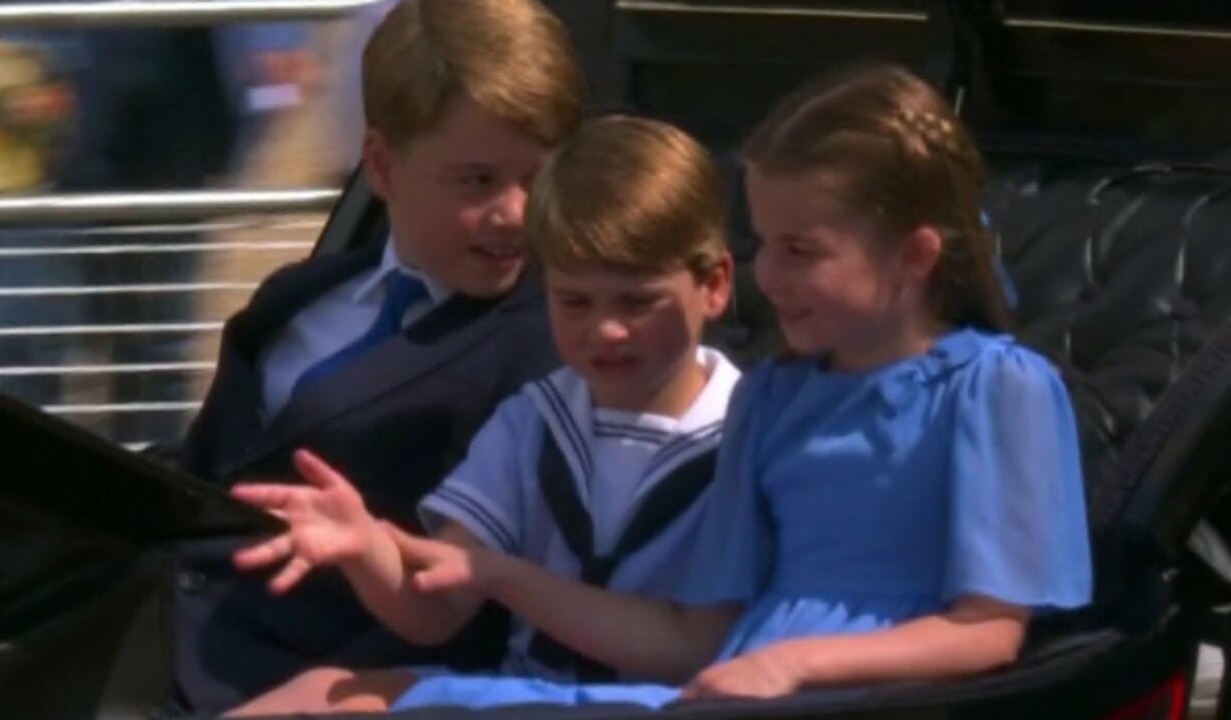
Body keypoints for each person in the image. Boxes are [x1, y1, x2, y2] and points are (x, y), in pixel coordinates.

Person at [234, 63, 1091, 711]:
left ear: (913, 257)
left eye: (801, 251)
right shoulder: (778, 400)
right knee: (324, 697)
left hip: (848, 702)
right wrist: (468, 567)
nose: (772, 276)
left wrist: (793, 665)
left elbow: (989, 632)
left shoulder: (995, 389)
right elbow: (692, 639)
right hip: (717, 692)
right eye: (764, 245)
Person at [224, 115, 741, 715]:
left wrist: (503, 576)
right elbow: (437, 609)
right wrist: (367, 550)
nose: (605, 328)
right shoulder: (534, 419)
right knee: (325, 693)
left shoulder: (745, 433)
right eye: (574, 301)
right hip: (530, 693)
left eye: (637, 301)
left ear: (714, 284)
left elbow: (689, 646)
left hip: (680, 703)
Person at [168, 0, 585, 712]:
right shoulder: (299, 297)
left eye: (536, 179)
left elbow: (488, 609)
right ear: (383, 167)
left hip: (300, 684)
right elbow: (204, 471)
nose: (516, 212)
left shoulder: (553, 346)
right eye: (478, 181)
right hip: (153, 623)